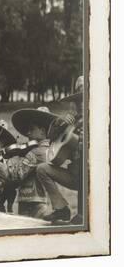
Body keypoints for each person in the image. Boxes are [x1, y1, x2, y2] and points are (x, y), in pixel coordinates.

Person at [37, 76, 84, 224]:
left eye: (83, 99)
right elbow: (50, 139)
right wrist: (59, 123)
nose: (80, 104)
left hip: (93, 176)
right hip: (73, 174)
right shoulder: (72, 121)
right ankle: (61, 209)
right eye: (77, 101)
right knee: (42, 169)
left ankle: (83, 215)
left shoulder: (101, 117)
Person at [4, 107, 58, 219]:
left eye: (32, 129)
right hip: (41, 200)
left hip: (31, 203)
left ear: (43, 131)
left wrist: (10, 160)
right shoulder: (49, 150)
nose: (28, 133)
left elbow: (17, 175)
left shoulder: (36, 152)